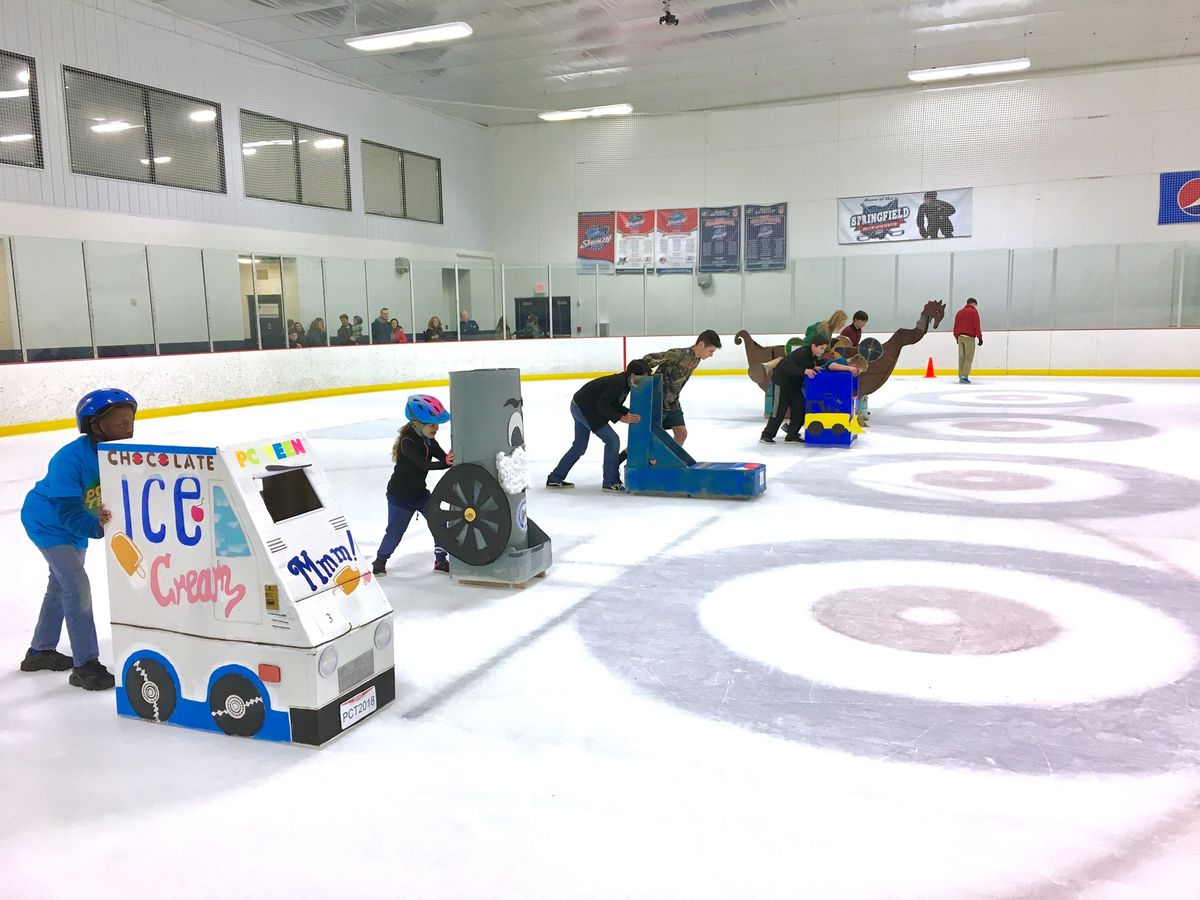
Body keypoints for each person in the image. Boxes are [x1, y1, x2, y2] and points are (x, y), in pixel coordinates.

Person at [20, 388, 137, 690]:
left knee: (60, 584)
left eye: (130, 421)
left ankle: (40, 651)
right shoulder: (68, 460)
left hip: (77, 523)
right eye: (120, 424)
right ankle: (85, 665)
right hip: (48, 522)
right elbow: (70, 514)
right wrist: (100, 528)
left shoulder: (119, 454)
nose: (129, 428)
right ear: (96, 426)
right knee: (76, 587)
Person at [372, 394, 454, 576]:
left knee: (439, 521)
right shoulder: (407, 442)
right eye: (432, 425)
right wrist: (446, 463)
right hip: (400, 497)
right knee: (395, 532)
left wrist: (448, 459)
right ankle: (380, 560)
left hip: (420, 494)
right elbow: (424, 464)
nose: (436, 428)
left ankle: (441, 560)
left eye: (437, 424)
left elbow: (441, 456)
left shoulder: (428, 440)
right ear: (416, 423)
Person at [546, 360, 651, 492]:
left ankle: (554, 478)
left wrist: (626, 412)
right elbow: (603, 404)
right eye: (643, 377)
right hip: (584, 408)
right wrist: (621, 418)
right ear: (633, 375)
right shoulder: (617, 383)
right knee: (612, 440)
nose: (644, 381)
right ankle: (610, 481)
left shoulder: (626, 385)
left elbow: (614, 404)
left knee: (579, 447)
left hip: (583, 405)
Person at [761, 333, 858, 443]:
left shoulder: (812, 356)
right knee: (779, 410)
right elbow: (786, 365)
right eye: (821, 348)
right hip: (782, 383)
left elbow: (805, 364)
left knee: (800, 408)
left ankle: (791, 435)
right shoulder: (802, 353)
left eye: (824, 349)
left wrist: (812, 367)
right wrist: (804, 370)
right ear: (813, 346)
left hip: (794, 385)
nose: (822, 351)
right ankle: (767, 435)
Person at [639, 329, 722, 447]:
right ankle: (622, 459)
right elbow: (648, 358)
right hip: (658, 401)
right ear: (702, 345)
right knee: (648, 436)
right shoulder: (678, 354)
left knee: (681, 433)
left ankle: (669, 460)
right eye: (710, 351)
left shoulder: (697, 359)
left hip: (672, 402)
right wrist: (644, 380)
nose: (711, 355)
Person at [840, 311, 870, 424]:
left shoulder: (858, 330)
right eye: (863, 321)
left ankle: (860, 409)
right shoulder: (848, 331)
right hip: (848, 360)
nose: (864, 324)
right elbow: (844, 347)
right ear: (856, 320)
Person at [953, 297, 983, 384]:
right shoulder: (973, 312)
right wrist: (980, 338)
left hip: (960, 337)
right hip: (969, 337)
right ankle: (964, 376)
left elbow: (955, 326)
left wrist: (956, 338)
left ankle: (960, 375)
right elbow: (976, 325)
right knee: (968, 357)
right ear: (973, 303)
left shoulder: (959, 312)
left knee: (961, 357)